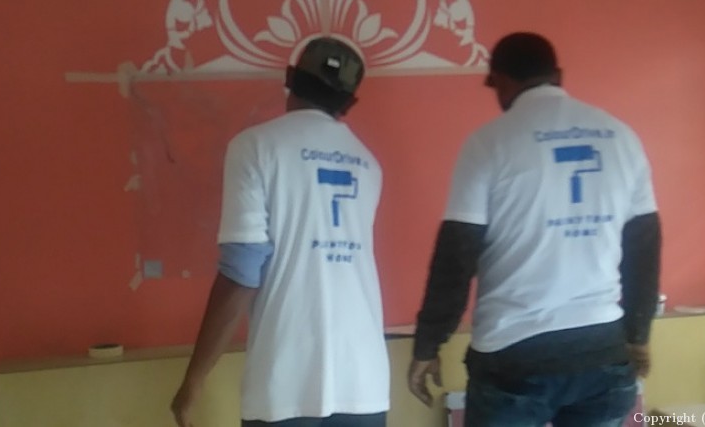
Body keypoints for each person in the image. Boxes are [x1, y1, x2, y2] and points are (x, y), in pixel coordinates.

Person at [407, 32, 662, 427]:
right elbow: (644, 245)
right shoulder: (621, 137)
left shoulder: (488, 144)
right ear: (557, 75)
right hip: (601, 352)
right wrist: (638, 334)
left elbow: (457, 254)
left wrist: (428, 345)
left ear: (501, 81)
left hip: (514, 357)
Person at [171, 36, 390, 427]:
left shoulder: (255, 147)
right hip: (364, 381)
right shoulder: (368, 164)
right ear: (348, 101)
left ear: (291, 79)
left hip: (286, 383)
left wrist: (194, 380)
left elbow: (241, 272)